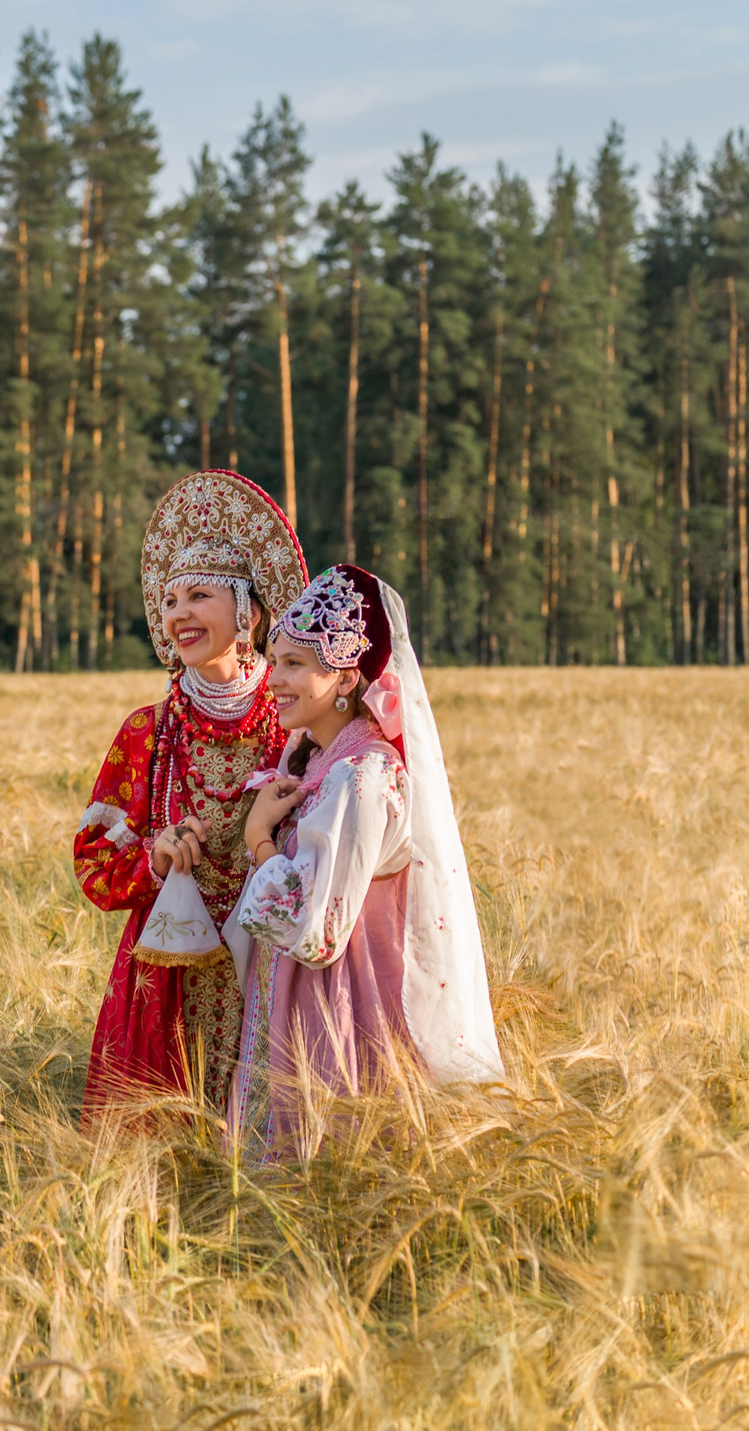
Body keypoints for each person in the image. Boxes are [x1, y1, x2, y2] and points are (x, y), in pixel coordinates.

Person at [227, 564, 505, 1157]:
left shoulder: (362, 777)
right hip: (301, 1001)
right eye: (274, 661)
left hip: (339, 1012)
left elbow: (318, 931)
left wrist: (259, 839)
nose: (275, 680)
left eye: (294, 664)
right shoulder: (319, 764)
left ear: (347, 677)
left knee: (329, 1168)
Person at [74, 471, 310, 1119]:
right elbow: (93, 861)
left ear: (249, 614)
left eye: (199, 594)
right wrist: (155, 855)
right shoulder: (146, 732)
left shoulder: (297, 722)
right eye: (170, 599)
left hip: (276, 967)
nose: (178, 613)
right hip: (169, 974)